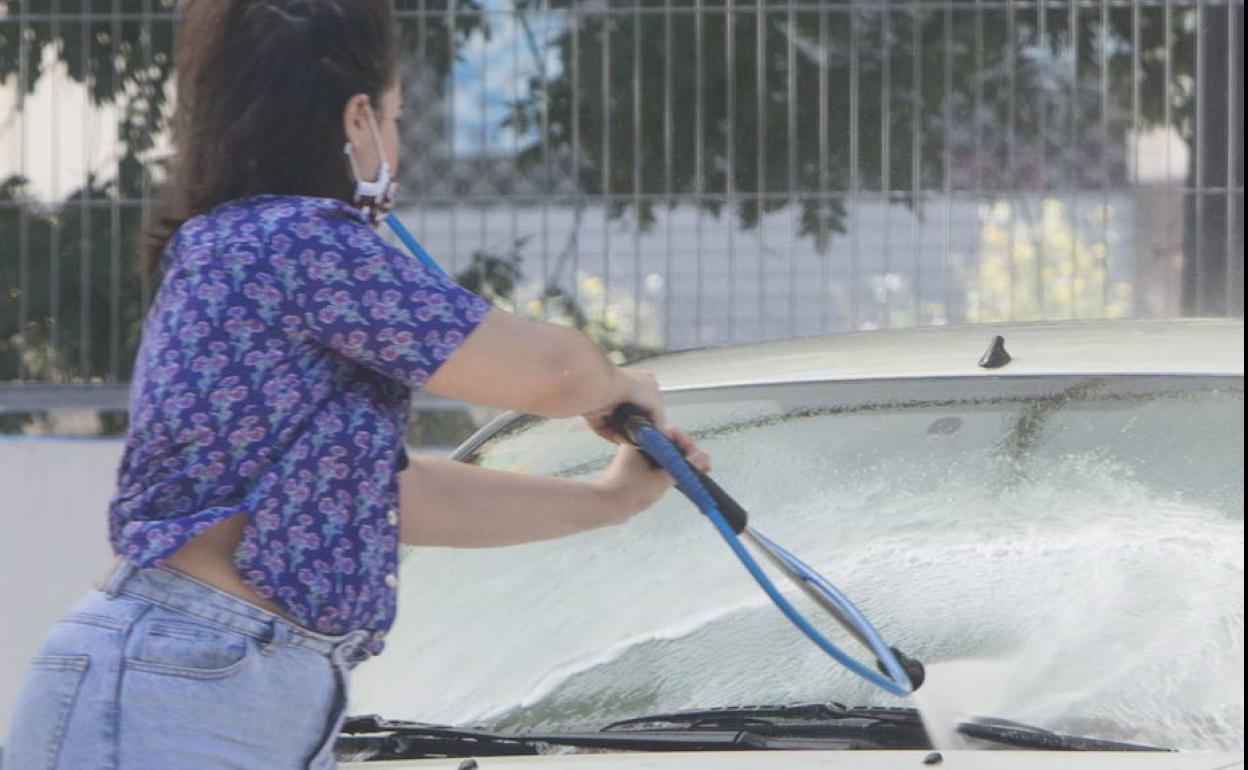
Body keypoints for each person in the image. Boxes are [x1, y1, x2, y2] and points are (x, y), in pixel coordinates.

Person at [1, 1, 709, 768]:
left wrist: (609, 501)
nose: (397, 147)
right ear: (359, 117)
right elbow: (554, 373)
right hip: (185, 678)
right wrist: (615, 386)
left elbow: (396, 495)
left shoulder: (248, 245)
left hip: (210, 677)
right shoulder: (296, 241)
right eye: (398, 119)